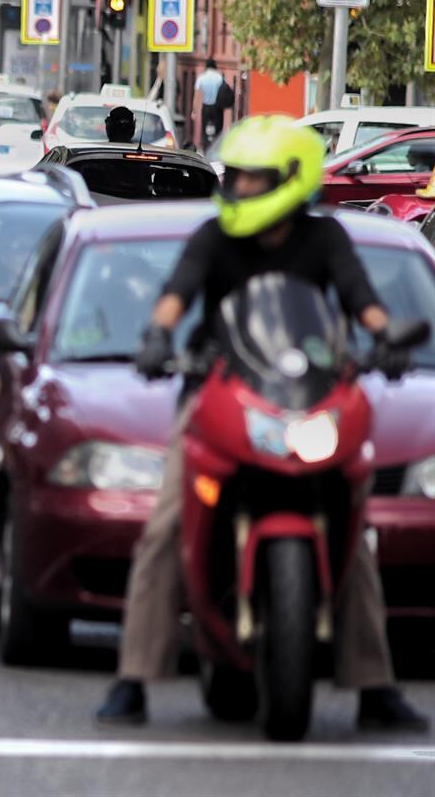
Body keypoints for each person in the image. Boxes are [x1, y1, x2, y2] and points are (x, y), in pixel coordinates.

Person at [96, 116, 428, 732]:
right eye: (237, 176)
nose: (240, 188)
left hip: (305, 397)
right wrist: (157, 335)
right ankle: (133, 678)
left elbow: (360, 298)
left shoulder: (324, 239)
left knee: (352, 530)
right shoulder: (214, 237)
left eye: (253, 178)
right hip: (219, 394)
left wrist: (385, 338)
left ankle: (375, 684)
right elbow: (178, 291)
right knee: (165, 529)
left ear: (290, 180)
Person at [196, 59, 229, 147]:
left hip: (206, 107)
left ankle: (205, 145)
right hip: (217, 107)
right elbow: (224, 91)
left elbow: (197, 94)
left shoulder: (202, 77)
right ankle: (216, 146)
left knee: (204, 128)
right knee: (218, 129)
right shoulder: (219, 77)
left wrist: (194, 110)